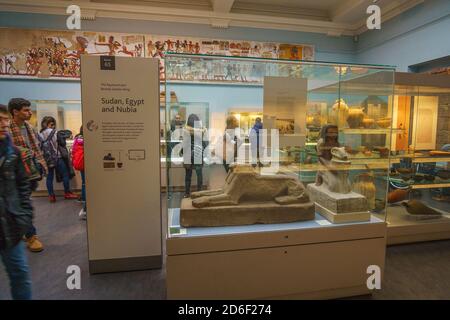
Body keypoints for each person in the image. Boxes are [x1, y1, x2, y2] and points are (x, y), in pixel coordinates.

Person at [0, 104, 33, 300]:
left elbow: (23, 186)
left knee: (19, 274)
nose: (4, 124)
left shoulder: (12, 152)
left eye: (4, 119)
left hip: (10, 225)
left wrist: (25, 217)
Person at [8, 98, 45, 253]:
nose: (30, 113)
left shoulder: (29, 127)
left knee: (22, 203)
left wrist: (40, 164)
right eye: (26, 110)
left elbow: (35, 147)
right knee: (23, 203)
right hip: (15, 174)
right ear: (15, 112)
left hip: (31, 172)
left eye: (29, 110)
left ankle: (22, 230)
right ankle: (31, 236)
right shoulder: (7, 129)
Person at [39, 116, 78, 202]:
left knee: (49, 178)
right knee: (65, 175)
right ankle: (67, 193)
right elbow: (62, 143)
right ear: (50, 123)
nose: (53, 126)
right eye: (52, 124)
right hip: (58, 157)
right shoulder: (55, 132)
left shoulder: (40, 134)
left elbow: (39, 146)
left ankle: (51, 196)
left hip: (47, 159)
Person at [182, 114, 207, 198]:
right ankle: (199, 193)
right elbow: (203, 143)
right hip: (198, 154)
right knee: (199, 175)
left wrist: (182, 152)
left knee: (188, 176)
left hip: (188, 154)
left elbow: (185, 144)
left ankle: (187, 193)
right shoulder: (201, 131)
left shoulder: (186, 131)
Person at [72, 126, 86, 219]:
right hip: (86, 163)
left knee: (84, 183)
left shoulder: (77, 139)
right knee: (88, 184)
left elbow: (73, 151)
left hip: (80, 163)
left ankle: (84, 199)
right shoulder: (87, 139)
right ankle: (86, 205)